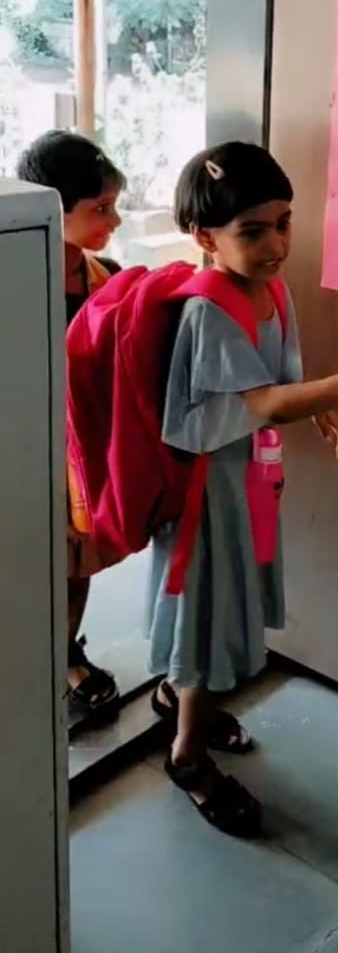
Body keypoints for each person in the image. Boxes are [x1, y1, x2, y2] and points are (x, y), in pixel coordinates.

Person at [146, 141, 338, 838]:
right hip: (206, 494)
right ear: (204, 237)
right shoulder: (209, 310)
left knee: (228, 601)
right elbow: (262, 402)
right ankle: (186, 755)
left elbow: (278, 379)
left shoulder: (272, 290)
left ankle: (180, 696)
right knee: (208, 611)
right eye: (253, 231)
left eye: (284, 223)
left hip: (247, 478)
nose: (277, 244)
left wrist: (315, 406)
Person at [17, 130, 125, 722]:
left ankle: (64, 653)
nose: (114, 219)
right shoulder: (13, 280)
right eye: (101, 208)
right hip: (21, 451)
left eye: (114, 205)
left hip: (80, 453)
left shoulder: (108, 279)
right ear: (53, 206)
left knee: (77, 560)